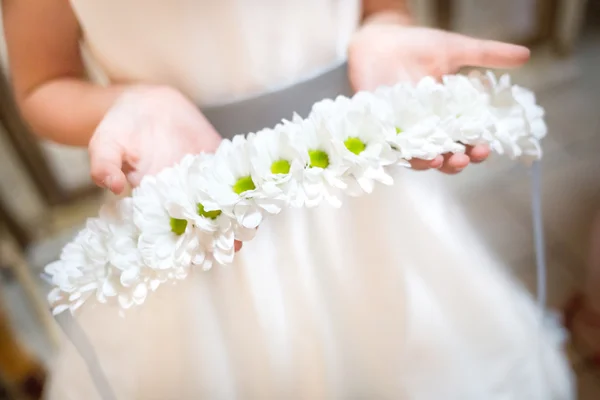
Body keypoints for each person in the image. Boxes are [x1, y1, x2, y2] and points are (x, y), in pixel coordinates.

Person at [4, 0, 574, 398]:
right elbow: (41, 81)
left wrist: (383, 32)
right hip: (195, 210)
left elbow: (382, 6)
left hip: (359, 190)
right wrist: (135, 103)